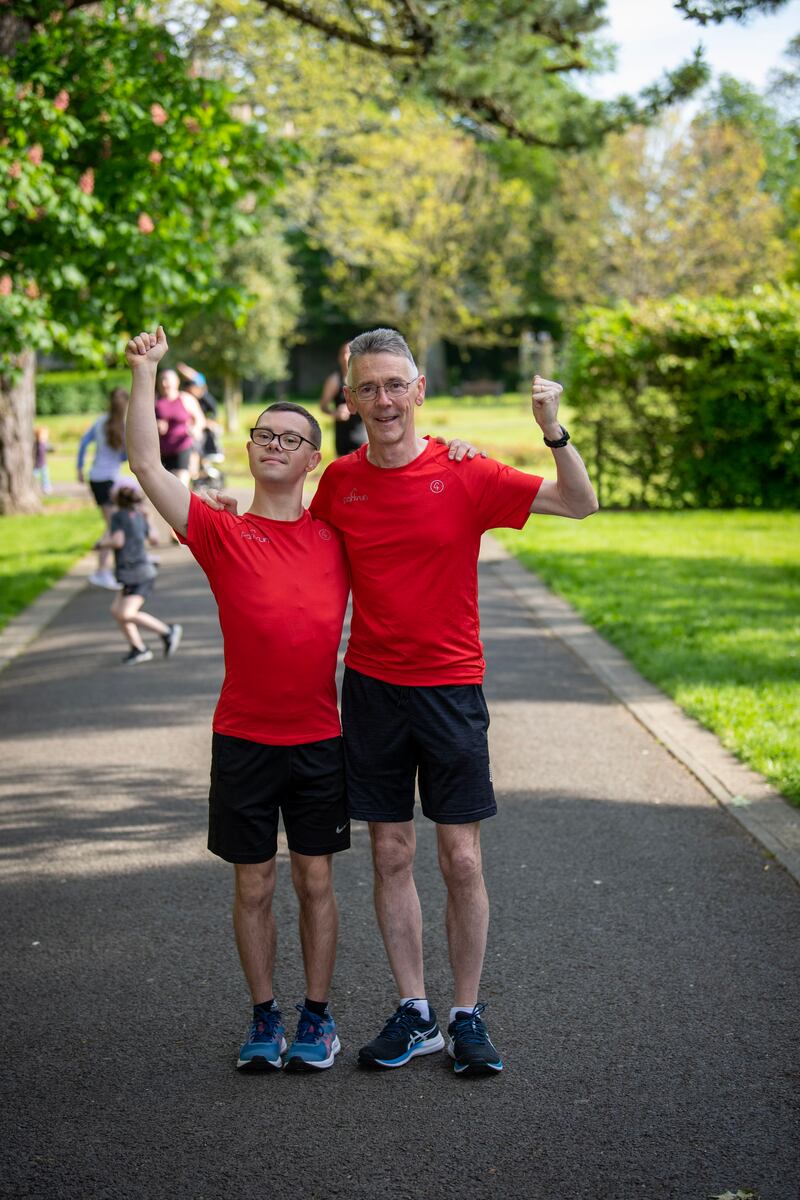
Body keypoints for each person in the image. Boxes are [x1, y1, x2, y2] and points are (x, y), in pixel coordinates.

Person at [308, 327, 599, 1077]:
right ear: (350, 399)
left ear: (419, 390)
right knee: (391, 850)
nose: (383, 400)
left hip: (449, 689)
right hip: (372, 688)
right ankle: (415, 1013)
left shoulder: (463, 472)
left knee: (461, 858)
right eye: (367, 387)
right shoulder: (340, 484)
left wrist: (552, 431)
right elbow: (291, 552)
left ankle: (467, 1014)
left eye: (395, 384)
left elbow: (579, 501)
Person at [124, 325, 351, 1073]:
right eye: (265, 434)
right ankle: (264, 1017)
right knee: (253, 881)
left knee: (314, 878)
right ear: (250, 449)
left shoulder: (336, 534)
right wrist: (147, 372)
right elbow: (146, 463)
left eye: (292, 438)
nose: (276, 444)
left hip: (319, 737)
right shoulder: (220, 529)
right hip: (245, 737)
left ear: (314, 459)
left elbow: (403, 480)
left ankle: (317, 1018)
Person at [96, 482, 183, 666]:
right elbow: (154, 540)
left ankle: (167, 631)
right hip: (140, 570)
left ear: (117, 499)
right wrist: (149, 519)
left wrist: (102, 544)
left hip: (135, 572)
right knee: (117, 611)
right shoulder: (139, 516)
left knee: (126, 613)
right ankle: (138, 648)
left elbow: (118, 541)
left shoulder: (118, 516)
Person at [77, 387, 129, 590]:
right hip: (107, 480)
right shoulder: (122, 426)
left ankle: (119, 565)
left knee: (117, 523)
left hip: (98, 478)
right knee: (114, 526)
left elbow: (83, 443)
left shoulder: (100, 422)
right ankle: (101, 570)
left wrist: (79, 467)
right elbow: (124, 457)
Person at [154, 367, 204, 487]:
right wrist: (156, 425)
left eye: (167, 380)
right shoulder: (156, 402)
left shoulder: (186, 399)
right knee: (167, 490)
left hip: (183, 447)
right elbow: (147, 425)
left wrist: (195, 429)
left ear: (176, 382)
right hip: (163, 451)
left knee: (181, 486)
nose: (164, 383)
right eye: (162, 380)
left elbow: (200, 420)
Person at [320, 342, 367, 458]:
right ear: (339, 357)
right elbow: (323, 406)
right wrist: (335, 413)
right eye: (343, 354)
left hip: (363, 435)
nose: (346, 357)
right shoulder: (335, 380)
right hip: (342, 438)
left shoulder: (365, 379)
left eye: (349, 353)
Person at [33, 425, 53, 496]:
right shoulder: (36, 444)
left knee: (45, 477)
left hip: (43, 464)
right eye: (44, 435)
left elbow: (50, 448)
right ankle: (32, 487)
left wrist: (52, 449)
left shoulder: (44, 444)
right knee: (34, 476)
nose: (46, 437)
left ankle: (46, 488)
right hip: (36, 465)